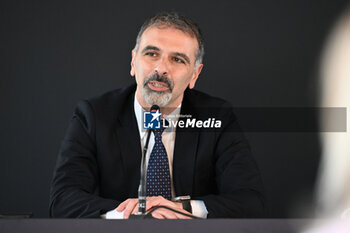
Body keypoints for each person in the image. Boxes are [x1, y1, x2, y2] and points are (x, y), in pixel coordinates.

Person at [49, 12, 265, 219]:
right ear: (133, 62)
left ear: (194, 75)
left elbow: (250, 201)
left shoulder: (217, 117)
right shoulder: (94, 116)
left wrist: (180, 208)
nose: (161, 69)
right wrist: (131, 212)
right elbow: (63, 200)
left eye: (178, 60)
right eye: (151, 54)